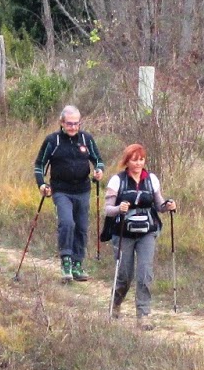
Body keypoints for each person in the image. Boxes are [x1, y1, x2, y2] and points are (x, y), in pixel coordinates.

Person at [102, 144, 178, 330]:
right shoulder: (117, 181)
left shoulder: (151, 180)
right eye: (134, 159)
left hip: (147, 232)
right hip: (123, 233)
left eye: (141, 159)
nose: (138, 163)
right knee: (124, 275)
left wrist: (168, 206)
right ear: (127, 161)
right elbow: (107, 209)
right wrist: (119, 208)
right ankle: (115, 304)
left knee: (145, 273)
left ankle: (143, 315)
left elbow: (159, 205)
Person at [33, 105, 104, 282]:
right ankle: (66, 260)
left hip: (83, 190)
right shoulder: (53, 141)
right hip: (61, 190)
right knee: (67, 223)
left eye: (76, 124)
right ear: (62, 123)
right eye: (69, 124)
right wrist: (42, 184)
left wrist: (99, 171)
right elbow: (39, 165)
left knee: (81, 227)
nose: (73, 127)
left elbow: (98, 160)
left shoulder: (86, 139)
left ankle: (77, 264)